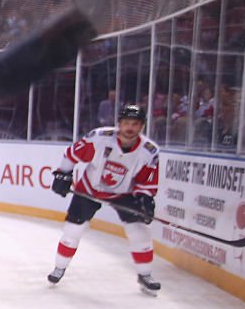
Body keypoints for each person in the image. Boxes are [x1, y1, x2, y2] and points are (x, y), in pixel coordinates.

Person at [47, 103, 161, 295]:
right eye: (126, 123)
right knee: (73, 231)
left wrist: (145, 199)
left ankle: (145, 275)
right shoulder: (99, 138)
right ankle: (59, 268)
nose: (130, 128)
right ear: (119, 124)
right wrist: (63, 174)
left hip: (124, 193)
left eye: (135, 124)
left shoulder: (149, 152)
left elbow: (147, 181)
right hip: (90, 189)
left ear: (142, 126)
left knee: (139, 232)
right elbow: (72, 154)